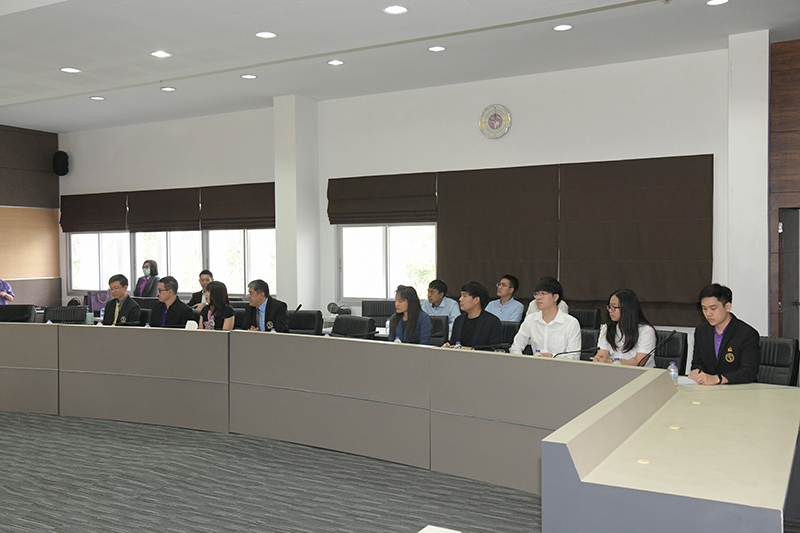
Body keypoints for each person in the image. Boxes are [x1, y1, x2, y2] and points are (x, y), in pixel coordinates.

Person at [690, 283, 759, 385]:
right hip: (708, 389)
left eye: (713, 308)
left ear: (727, 307)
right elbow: (697, 363)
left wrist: (718, 379)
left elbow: (748, 372)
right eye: (704, 308)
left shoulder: (747, 334)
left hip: (739, 389)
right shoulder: (701, 331)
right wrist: (697, 371)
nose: (708, 313)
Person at [509, 277, 581, 358]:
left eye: (543, 293)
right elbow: (515, 347)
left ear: (555, 297)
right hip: (535, 364)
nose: (538, 297)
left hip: (560, 365)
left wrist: (552, 356)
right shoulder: (531, 319)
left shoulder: (571, 323)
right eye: (536, 294)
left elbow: (574, 356)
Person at [590, 289, 657, 367]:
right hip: (612, 371)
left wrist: (609, 362)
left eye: (614, 307)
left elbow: (639, 363)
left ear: (627, 309)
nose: (610, 310)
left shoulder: (646, 331)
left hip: (641, 373)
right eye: (609, 307)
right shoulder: (607, 328)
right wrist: (599, 360)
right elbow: (601, 356)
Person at [444, 281, 503, 350]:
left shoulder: (492, 322)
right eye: (461, 295)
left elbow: (494, 349)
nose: (460, 299)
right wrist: (448, 345)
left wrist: (469, 349)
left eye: (464, 296)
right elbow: (454, 343)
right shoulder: (459, 319)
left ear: (476, 300)